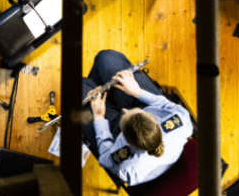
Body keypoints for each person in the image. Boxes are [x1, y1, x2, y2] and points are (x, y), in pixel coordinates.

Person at [81, 50, 193, 186]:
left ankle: (91, 84)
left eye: (125, 115)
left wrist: (99, 117)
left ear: (127, 142)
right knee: (107, 58)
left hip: (114, 133)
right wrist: (137, 92)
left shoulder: (125, 165)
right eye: (132, 112)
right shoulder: (180, 123)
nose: (124, 111)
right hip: (140, 107)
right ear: (152, 118)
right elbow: (165, 105)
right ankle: (95, 83)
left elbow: (105, 157)